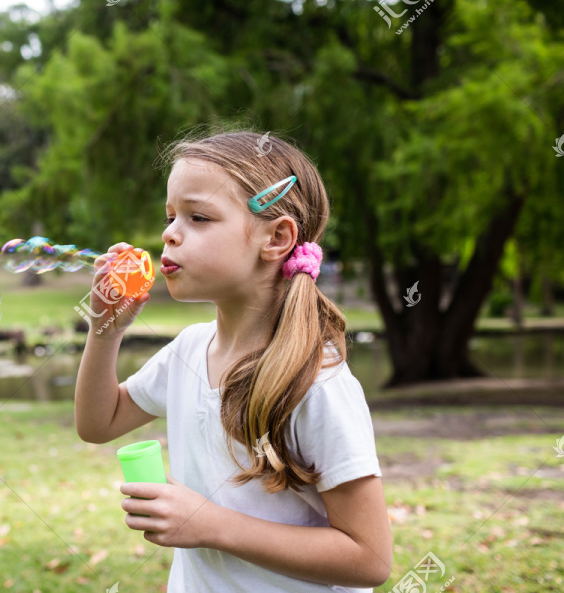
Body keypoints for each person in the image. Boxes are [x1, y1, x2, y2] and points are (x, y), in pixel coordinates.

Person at [74, 129, 393, 592]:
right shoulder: (187, 351)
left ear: (276, 238)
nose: (169, 233)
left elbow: (370, 558)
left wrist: (207, 525)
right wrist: (106, 329)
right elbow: (97, 423)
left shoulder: (315, 381)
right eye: (170, 216)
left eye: (198, 217)